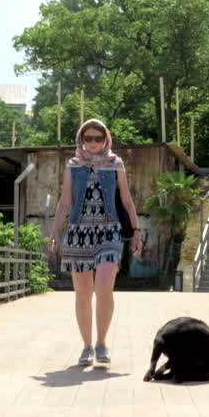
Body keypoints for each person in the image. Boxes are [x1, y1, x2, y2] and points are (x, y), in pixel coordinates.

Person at [48, 119, 142, 366]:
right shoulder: (74, 165)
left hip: (109, 230)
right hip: (79, 231)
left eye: (97, 138)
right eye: (87, 138)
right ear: (81, 139)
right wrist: (55, 232)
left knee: (103, 287)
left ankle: (102, 342)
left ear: (106, 140)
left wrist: (136, 231)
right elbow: (65, 201)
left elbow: (127, 200)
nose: (92, 143)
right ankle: (87, 346)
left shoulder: (115, 163)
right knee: (82, 293)